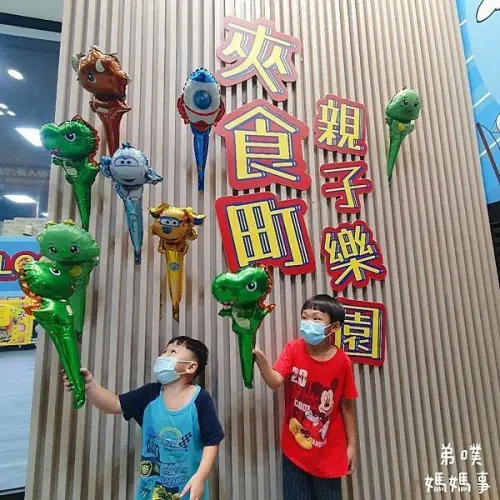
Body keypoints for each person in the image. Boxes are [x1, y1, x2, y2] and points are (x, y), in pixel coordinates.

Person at [63, 336, 224, 500]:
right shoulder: (150, 394)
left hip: (188, 493)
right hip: (149, 493)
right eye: (164, 351)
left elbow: (212, 441)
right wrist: (89, 386)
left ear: (191, 367)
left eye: (173, 352)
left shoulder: (200, 400)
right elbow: (114, 404)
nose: (164, 355)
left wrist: (200, 477)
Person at [253, 294, 358, 500]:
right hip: (294, 448)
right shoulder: (293, 349)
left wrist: (352, 445)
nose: (308, 322)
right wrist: (261, 361)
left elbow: (347, 405)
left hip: (328, 452)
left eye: (316, 318)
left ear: (334, 327)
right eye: (304, 317)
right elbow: (274, 381)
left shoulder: (342, 362)